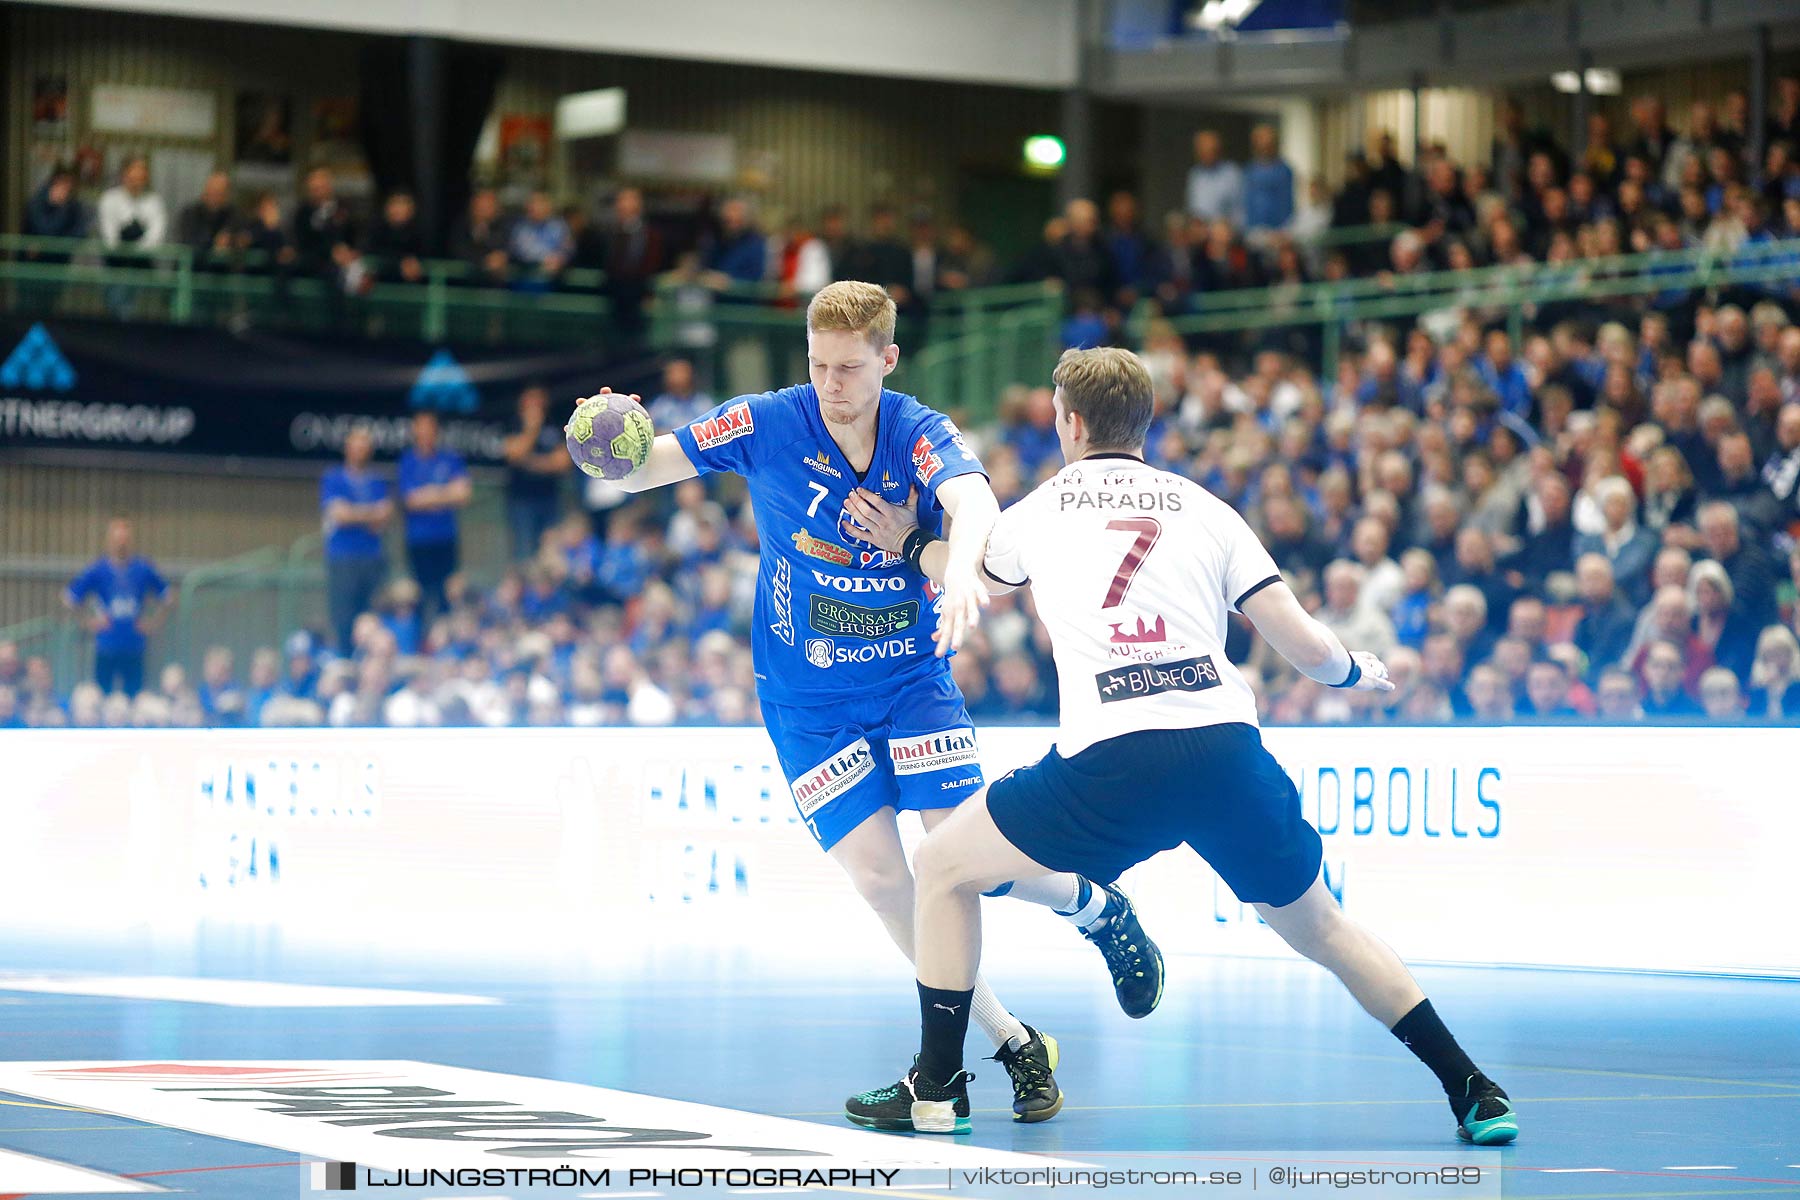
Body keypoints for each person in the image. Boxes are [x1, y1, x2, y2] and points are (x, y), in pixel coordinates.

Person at [840, 347, 1517, 1147]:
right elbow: (1302, 645)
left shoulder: (1042, 509)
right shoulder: (1208, 509)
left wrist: (912, 541)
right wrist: (1357, 671)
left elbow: (972, 577)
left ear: (1072, 423)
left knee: (942, 867)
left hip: (1112, 762)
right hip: (1227, 753)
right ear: (1147, 423)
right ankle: (1471, 1084)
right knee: (1325, 930)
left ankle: (942, 1086)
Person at [576, 281, 1164, 1126]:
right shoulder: (769, 421)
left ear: (887, 360)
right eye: (818, 365)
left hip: (909, 685)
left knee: (966, 865)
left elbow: (974, 501)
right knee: (889, 881)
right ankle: (1007, 1043)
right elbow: (644, 469)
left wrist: (960, 569)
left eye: (849, 367)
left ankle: (1099, 910)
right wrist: (613, 437)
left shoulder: (918, 432)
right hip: (807, 700)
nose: (830, 384)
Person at [64, 518, 176, 697]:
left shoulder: (143, 569)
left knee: (134, 698)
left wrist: (154, 623)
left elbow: (168, 597)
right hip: (106, 646)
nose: (121, 544)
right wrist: (88, 622)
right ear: (109, 540)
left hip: (135, 647)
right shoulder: (98, 570)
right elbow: (69, 598)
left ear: (130, 541)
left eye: (125, 539)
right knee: (103, 698)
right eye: (117, 539)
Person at [321, 426, 392, 653]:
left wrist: (354, 513)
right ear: (347, 448)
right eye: (356, 444)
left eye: (364, 445)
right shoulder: (333, 478)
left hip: (371, 558)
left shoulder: (377, 481)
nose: (360, 450)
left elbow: (383, 518)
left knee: (371, 617)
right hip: (343, 559)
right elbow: (338, 515)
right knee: (343, 618)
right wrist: (369, 513)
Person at [397, 411, 471, 622]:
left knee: (447, 594)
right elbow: (411, 500)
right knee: (418, 595)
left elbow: (463, 493)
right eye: (421, 427)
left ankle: (444, 641)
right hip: (419, 540)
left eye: (430, 427)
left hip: (445, 538)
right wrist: (445, 493)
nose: (426, 432)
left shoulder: (450, 458)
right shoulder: (408, 461)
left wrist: (428, 494)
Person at [503, 386, 570, 561]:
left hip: (550, 498)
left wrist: (530, 462)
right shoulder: (513, 424)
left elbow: (562, 462)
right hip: (521, 500)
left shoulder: (554, 424)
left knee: (551, 550)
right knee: (524, 551)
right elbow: (515, 454)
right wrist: (532, 429)